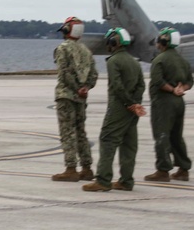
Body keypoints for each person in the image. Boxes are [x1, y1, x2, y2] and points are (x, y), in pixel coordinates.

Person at [83, 27, 146, 192]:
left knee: (107, 140)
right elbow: (141, 85)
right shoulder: (134, 61)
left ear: (114, 42)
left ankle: (103, 180)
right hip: (132, 110)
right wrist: (136, 103)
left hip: (119, 107)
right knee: (129, 144)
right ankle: (126, 181)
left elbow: (117, 86)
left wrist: (128, 103)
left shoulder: (113, 61)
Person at [51, 16, 98, 182]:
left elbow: (64, 73)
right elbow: (93, 75)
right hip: (81, 98)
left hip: (66, 96)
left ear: (66, 30)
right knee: (80, 132)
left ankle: (71, 168)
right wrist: (85, 88)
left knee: (67, 131)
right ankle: (87, 168)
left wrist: (76, 88)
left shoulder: (62, 48)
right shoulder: (86, 50)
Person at [144, 28, 194, 182]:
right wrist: (180, 90)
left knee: (162, 135)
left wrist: (172, 90)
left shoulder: (159, 60)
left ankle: (163, 170)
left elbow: (158, 82)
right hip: (179, 103)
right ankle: (183, 168)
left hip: (164, 103)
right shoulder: (182, 60)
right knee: (176, 136)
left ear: (164, 41)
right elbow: (190, 82)